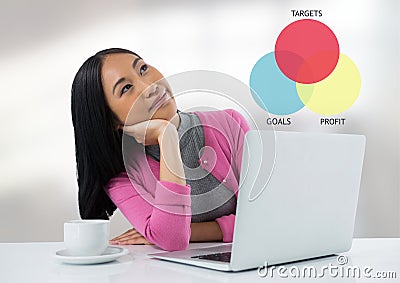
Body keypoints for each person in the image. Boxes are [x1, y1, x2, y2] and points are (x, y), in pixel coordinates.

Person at [71, 48, 250, 251]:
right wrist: (166, 137)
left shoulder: (230, 124)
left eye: (143, 68)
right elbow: (172, 239)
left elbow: (269, 215)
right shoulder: (122, 177)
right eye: (126, 88)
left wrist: (193, 231)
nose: (149, 87)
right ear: (112, 121)